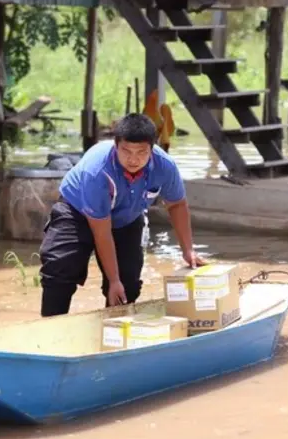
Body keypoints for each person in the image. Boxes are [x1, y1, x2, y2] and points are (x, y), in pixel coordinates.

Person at [39, 113, 206, 317]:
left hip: (126, 217)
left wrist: (188, 250)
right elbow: (102, 232)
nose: (133, 159)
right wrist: (113, 279)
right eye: (126, 151)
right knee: (59, 270)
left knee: (128, 285)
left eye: (142, 152)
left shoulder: (165, 166)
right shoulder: (96, 170)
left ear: (152, 149)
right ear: (115, 145)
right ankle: (52, 326)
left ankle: (115, 327)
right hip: (77, 211)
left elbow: (177, 205)